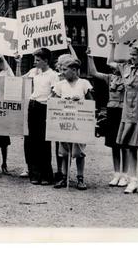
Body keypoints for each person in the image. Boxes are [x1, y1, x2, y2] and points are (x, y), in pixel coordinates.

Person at [108, 41, 138, 195]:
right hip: (128, 113)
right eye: (130, 54)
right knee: (130, 147)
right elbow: (110, 62)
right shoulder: (125, 67)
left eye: (134, 55)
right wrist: (112, 45)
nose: (131, 58)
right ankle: (133, 181)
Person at [87, 48, 128, 187]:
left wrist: (113, 46)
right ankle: (116, 174)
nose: (115, 65)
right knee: (113, 144)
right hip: (112, 111)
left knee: (124, 145)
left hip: (124, 111)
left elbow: (110, 61)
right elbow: (93, 73)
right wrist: (90, 56)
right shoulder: (110, 77)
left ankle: (125, 175)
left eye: (120, 63)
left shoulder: (128, 77)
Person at [16, 48, 59, 185]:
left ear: (45, 61)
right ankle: (34, 174)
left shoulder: (53, 75)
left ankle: (46, 175)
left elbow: (55, 92)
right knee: (31, 141)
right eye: (35, 59)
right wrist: (18, 63)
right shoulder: (34, 72)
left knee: (43, 142)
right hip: (33, 106)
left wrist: (49, 103)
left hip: (44, 107)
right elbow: (19, 80)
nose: (35, 62)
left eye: (38, 60)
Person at [52, 58, 94, 190]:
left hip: (79, 122)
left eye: (65, 70)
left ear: (74, 70)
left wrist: (79, 102)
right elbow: (53, 101)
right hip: (64, 121)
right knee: (64, 152)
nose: (63, 72)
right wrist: (63, 101)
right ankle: (64, 177)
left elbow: (91, 103)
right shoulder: (60, 85)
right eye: (62, 69)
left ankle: (80, 178)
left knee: (79, 152)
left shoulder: (84, 83)